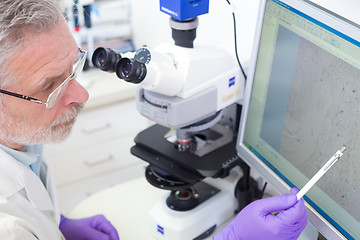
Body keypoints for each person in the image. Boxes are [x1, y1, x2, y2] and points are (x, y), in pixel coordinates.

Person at [0, 0, 307, 239]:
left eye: (74, 66)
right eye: (49, 87)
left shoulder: (20, 142)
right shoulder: (9, 227)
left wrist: (57, 226)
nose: (82, 95)